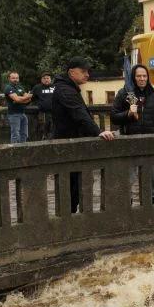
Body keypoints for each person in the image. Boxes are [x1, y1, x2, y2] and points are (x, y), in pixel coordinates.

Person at [51, 57, 116, 213]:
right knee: (71, 185)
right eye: (83, 71)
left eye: (88, 71)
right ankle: (68, 219)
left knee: (76, 184)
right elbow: (79, 114)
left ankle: (70, 216)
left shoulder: (68, 87)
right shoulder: (65, 89)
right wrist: (99, 131)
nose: (87, 75)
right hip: (68, 145)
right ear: (71, 72)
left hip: (72, 143)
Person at [112, 63, 154, 204]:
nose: (142, 78)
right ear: (133, 77)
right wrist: (128, 113)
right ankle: (126, 202)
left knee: (153, 177)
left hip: (149, 140)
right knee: (129, 176)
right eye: (138, 76)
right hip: (130, 140)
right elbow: (113, 116)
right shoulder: (125, 93)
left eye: (144, 76)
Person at [3, 71, 32, 143]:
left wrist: (20, 100)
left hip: (22, 113)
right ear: (9, 78)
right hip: (14, 115)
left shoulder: (20, 87)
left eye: (17, 78)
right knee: (15, 135)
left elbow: (29, 99)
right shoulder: (8, 88)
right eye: (13, 78)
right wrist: (23, 98)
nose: (15, 79)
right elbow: (17, 99)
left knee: (24, 134)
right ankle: (15, 151)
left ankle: (23, 150)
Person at [30, 72, 55, 139]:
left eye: (48, 78)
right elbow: (31, 98)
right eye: (44, 78)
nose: (46, 80)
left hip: (54, 112)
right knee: (42, 129)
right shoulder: (37, 87)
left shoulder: (55, 87)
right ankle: (42, 140)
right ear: (41, 79)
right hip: (42, 113)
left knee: (53, 129)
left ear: (50, 79)